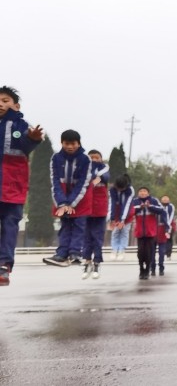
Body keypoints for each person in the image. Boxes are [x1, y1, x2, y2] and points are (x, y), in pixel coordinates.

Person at [0, 86, 43, 285]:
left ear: (16, 105)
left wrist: (32, 139)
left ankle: (4, 265)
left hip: (12, 186)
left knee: (10, 225)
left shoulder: (20, 125)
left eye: (5, 100)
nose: (1, 103)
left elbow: (27, 143)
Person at [43, 130, 93, 267]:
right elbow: (55, 182)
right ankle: (62, 253)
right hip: (62, 196)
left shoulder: (85, 159)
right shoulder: (55, 158)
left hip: (80, 198)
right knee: (65, 226)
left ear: (78, 143)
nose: (70, 146)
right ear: (61, 143)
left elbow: (84, 182)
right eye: (66, 143)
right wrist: (62, 202)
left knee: (78, 226)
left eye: (73, 143)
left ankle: (75, 253)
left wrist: (71, 202)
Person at [82, 150, 110, 280]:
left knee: (97, 238)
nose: (93, 159)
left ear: (101, 158)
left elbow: (102, 177)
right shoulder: (82, 168)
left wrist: (91, 178)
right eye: (91, 157)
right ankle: (87, 262)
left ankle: (97, 263)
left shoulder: (104, 169)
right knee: (87, 238)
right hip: (86, 209)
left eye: (96, 157)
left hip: (100, 210)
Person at [132, 187, 165, 280]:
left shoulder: (153, 200)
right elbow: (130, 211)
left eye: (144, 191)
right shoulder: (135, 201)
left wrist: (150, 207)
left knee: (149, 252)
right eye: (141, 191)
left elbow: (161, 210)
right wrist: (140, 207)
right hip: (139, 232)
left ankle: (147, 270)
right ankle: (141, 269)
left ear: (148, 193)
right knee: (140, 252)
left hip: (151, 232)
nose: (142, 193)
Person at [108, 174, 135, 261]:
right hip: (116, 213)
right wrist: (111, 218)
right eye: (118, 188)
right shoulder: (112, 190)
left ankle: (121, 251)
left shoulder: (130, 190)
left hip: (127, 214)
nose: (119, 190)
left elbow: (127, 205)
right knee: (115, 232)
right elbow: (111, 203)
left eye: (121, 188)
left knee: (124, 232)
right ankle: (114, 250)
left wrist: (122, 220)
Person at [161, 195, 176, 260]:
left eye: (166, 199)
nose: (165, 200)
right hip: (161, 226)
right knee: (161, 240)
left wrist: (168, 225)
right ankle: (162, 252)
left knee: (169, 240)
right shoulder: (159, 206)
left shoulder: (171, 206)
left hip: (170, 225)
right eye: (163, 199)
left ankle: (168, 254)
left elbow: (171, 215)